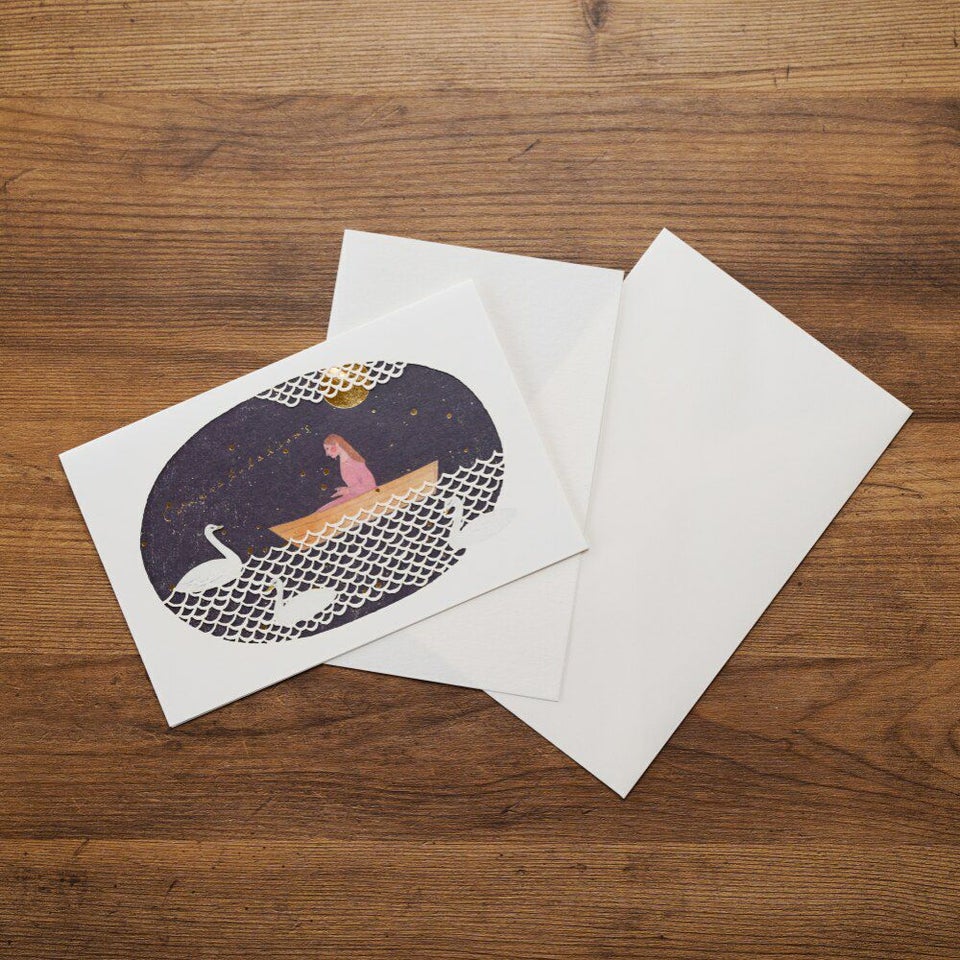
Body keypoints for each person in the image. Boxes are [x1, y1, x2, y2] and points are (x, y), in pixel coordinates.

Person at [322, 434, 377, 505]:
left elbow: (370, 486)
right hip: (355, 496)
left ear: (336, 444)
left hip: (365, 497)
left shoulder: (355, 462)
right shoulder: (343, 462)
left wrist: (348, 490)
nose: (327, 454)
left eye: (327, 449)